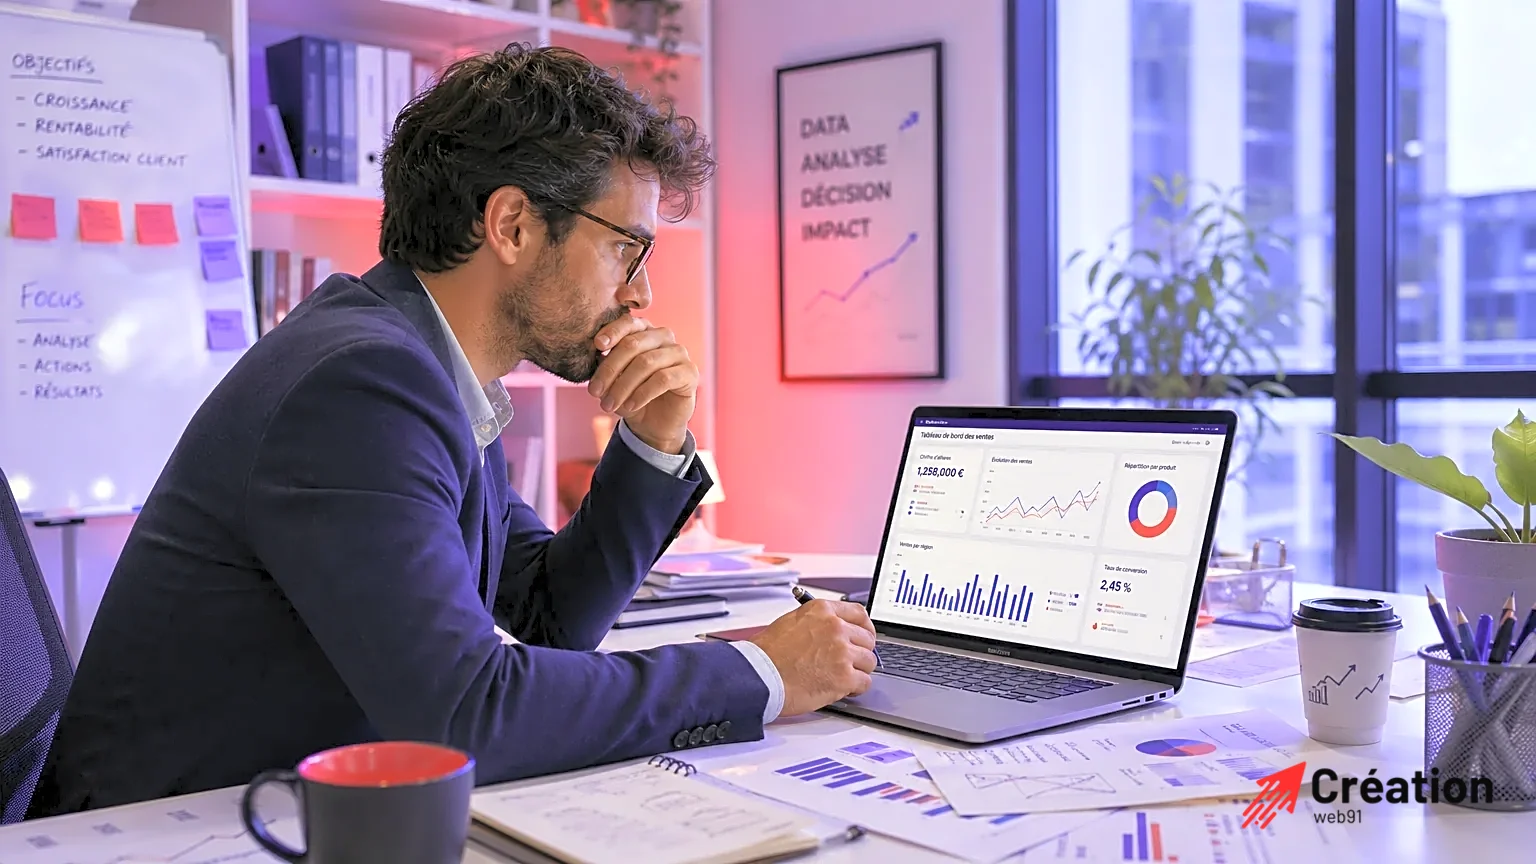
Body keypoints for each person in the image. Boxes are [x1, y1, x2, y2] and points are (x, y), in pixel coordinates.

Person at [28, 44, 877, 817]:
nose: (642, 295)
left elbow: (548, 611)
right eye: (629, 248)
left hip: (274, 809)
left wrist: (651, 442)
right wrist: (762, 671)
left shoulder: (422, 363)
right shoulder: (362, 385)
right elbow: (470, 713)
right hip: (159, 834)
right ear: (511, 225)